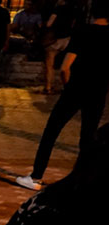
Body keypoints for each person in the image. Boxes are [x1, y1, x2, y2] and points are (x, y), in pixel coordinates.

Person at [17, 0, 109, 191]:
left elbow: (65, 67)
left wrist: (68, 85)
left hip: (76, 88)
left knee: (51, 131)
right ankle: (84, 182)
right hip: (99, 90)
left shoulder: (83, 31)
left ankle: (36, 176)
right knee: (88, 137)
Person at [42, 0, 77, 94]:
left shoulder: (58, 9)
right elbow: (73, 24)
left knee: (49, 65)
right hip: (67, 39)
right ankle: (66, 87)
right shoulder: (74, 9)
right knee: (67, 65)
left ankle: (48, 87)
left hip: (56, 39)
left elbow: (50, 23)